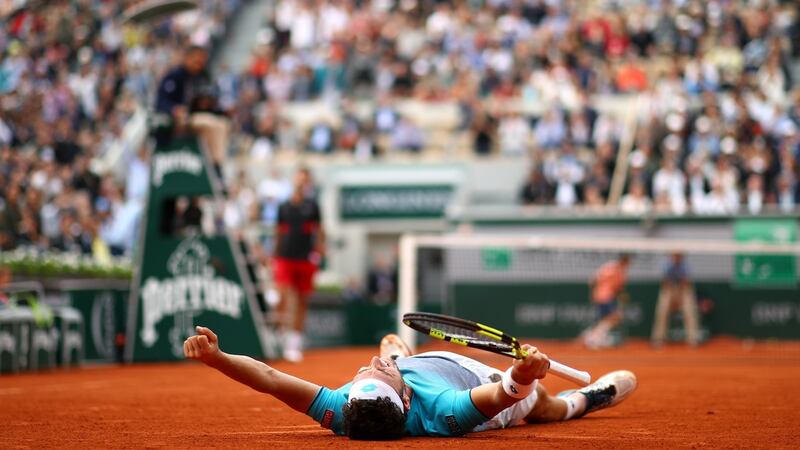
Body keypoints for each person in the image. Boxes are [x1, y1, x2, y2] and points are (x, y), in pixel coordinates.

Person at [183, 326, 637, 440]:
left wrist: (217, 358)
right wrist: (525, 372)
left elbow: (268, 377)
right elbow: (503, 395)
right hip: (484, 383)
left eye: (366, 373)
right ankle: (586, 398)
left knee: (389, 345)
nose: (367, 367)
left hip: (423, 367)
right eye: (378, 371)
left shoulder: (345, 411)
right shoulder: (446, 412)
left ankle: (399, 353)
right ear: (403, 395)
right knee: (544, 409)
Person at [272, 167, 325, 362]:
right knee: (283, 297)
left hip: (305, 259)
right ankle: (278, 337)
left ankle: (294, 344)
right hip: (285, 258)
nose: (301, 183)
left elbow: (319, 231)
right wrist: (274, 255)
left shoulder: (313, 206)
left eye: (305, 180)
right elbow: (278, 232)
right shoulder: (284, 206)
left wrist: (319, 251)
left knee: (302, 300)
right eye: (299, 179)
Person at [155, 45, 230, 176]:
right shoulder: (174, 76)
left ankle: (214, 164)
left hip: (197, 117)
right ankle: (216, 169)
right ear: (187, 58)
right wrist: (173, 109)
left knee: (222, 123)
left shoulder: (203, 76)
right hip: (178, 121)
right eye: (196, 61)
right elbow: (161, 101)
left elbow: (211, 100)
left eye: (202, 61)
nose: (199, 64)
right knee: (213, 125)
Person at [651, 253, 700, 348]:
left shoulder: (686, 265)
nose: (677, 257)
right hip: (668, 288)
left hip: (683, 289)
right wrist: (673, 298)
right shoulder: (665, 264)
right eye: (674, 255)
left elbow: (685, 282)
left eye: (679, 255)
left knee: (690, 311)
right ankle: (658, 338)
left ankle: (693, 338)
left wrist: (679, 298)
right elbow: (665, 281)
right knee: (662, 311)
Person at [583, 254, 631, 349]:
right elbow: (594, 279)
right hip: (605, 297)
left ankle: (595, 336)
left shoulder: (615, 269)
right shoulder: (614, 269)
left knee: (608, 318)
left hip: (604, 296)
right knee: (614, 317)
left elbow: (594, 280)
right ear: (625, 261)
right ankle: (594, 337)